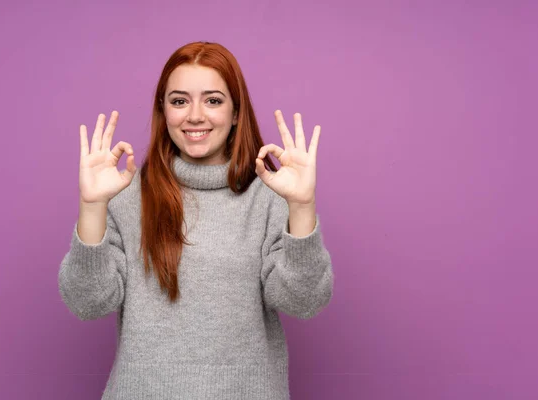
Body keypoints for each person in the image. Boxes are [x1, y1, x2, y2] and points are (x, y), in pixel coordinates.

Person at [58, 41, 334, 400]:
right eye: (179, 100)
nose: (195, 116)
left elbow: (305, 301)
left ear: (236, 112)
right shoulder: (125, 192)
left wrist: (301, 205)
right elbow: (87, 302)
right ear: (164, 111)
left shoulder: (269, 196)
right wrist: (92, 205)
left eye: (213, 100)